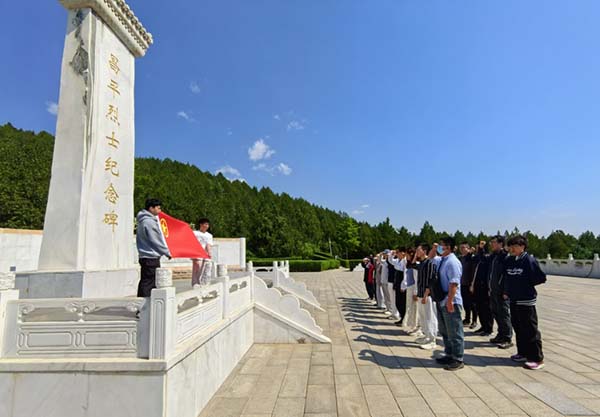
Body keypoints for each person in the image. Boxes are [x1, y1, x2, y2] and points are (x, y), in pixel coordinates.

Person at [504, 235, 546, 370]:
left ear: (522, 247)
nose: (511, 249)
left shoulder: (529, 260)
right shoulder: (510, 260)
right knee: (518, 327)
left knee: (530, 329)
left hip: (526, 300)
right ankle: (522, 353)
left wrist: (525, 285)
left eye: (514, 246)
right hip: (514, 299)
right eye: (510, 246)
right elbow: (507, 278)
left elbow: (540, 278)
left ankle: (537, 358)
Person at [434, 236, 465, 371]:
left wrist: (450, 301)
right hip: (442, 300)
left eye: (442, 245)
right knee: (445, 331)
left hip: (451, 300)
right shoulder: (443, 260)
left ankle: (458, 358)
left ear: (449, 247)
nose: (439, 247)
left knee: (455, 331)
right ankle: (449, 354)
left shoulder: (453, 262)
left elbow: (454, 283)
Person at [136, 198, 171, 297]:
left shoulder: (142, 220)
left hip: (145, 256)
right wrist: (167, 252)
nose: (160, 210)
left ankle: (142, 303)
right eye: (158, 208)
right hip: (151, 257)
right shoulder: (149, 222)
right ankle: (145, 304)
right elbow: (155, 240)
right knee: (149, 282)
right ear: (151, 208)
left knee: (146, 281)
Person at [482, 235, 513, 349]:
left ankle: (507, 338)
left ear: (501, 244)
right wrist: (482, 249)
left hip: (501, 292)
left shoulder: (505, 257)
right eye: (491, 242)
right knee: (496, 313)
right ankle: (500, 335)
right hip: (493, 290)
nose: (492, 244)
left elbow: (507, 276)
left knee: (504, 314)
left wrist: (506, 291)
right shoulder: (494, 256)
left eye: (494, 242)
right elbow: (483, 260)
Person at [415, 243, 438, 350]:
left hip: (427, 295)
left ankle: (432, 339)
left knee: (429, 317)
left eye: (418, 250)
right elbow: (411, 265)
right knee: (423, 316)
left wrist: (425, 295)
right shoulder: (422, 263)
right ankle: (426, 335)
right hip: (420, 293)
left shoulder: (429, 263)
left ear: (424, 251)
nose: (416, 252)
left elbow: (431, 280)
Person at [471, 241, 493, 336]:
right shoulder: (478, 260)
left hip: (485, 287)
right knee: (479, 308)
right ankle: (483, 326)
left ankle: (488, 328)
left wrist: (481, 249)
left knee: (486, 309)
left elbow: (483, 257)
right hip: (478, 286)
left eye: (479, 247)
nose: (477, 249)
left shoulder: (488, 258)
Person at [458, 242, 477, 328]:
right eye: (460, 248)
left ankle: (474, 321)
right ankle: (467, 319)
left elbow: (474, 271)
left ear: (468, 248)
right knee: (465, 303)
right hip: (462, 284)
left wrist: (472, 284)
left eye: (463, 247)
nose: (461, 249)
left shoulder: (472, 258)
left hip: (470, 284)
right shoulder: (461, 258)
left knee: (472, 304)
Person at [191, 217, 213, 287]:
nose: (207, 226)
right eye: (205, 224)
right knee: (197, 267)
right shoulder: (195, 233)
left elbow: (208, 245)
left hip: (205, 254)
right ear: (201, 224)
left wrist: (209, 253)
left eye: (207, 224)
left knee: (205, 268)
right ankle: (195, 283)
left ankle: (204, 284)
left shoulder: (209, 235)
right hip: (197, 253)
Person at [404, 248, 422, 336]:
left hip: (414, 288)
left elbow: (416, 279)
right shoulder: (410, 264)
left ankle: (419, 328)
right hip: (410, 287)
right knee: (411, 308)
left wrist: (415, 292)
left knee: (416, 309)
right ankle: (413, 326)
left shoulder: (416, 265)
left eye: (407, 255)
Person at [388, 248, 407, 325]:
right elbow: (390, 261)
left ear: (403, 253)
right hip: (397, 282)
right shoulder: (397, 260)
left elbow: (405, 274)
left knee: (402, 302)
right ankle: (402, 317)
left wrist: (403, 285)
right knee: (397, 302)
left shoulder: (405, 261)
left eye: (398, 252)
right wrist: (391, 254)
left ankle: (403, 318)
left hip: (402, 282)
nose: (397, 254)